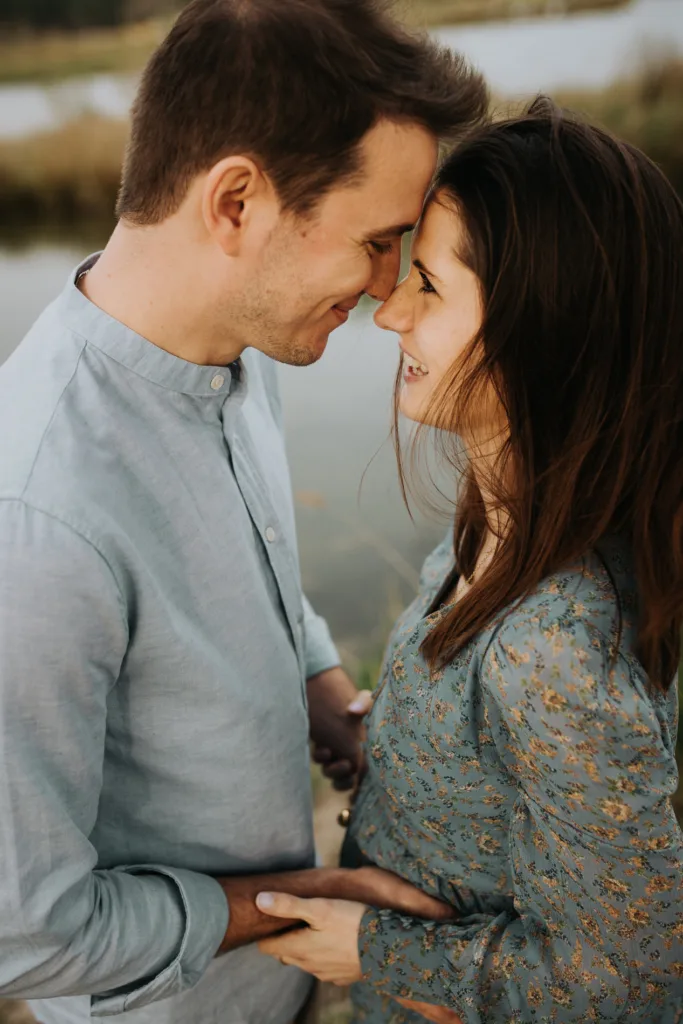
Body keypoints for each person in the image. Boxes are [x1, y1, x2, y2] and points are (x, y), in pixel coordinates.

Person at [0, 2, 488, 1023]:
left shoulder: (234, 344)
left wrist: (327, 698)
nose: (386, 286)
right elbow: (22, 929)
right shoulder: (38, 520)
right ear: (235, 203)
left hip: (289, 984)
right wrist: (290, 904)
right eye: (377, 240)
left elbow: (246, 573)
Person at [256, 100, 683, 1023]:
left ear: (542, 333)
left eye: (431, 287)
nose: (389, 311)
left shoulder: (555, 647)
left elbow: (631, 980)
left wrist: (371, 948)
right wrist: (404, 747)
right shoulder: (503, 523)